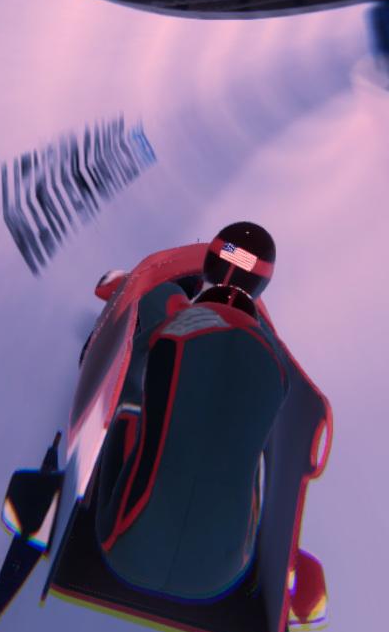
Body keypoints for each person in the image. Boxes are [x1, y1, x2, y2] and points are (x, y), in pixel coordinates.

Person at [92, 222, 306, 601]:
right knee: (251, 451)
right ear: (262, 286)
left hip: (128, 549)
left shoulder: (172, 319)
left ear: (209, 264)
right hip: (221, 574)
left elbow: (129, 363)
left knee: (131, 409)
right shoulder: (277, 364)